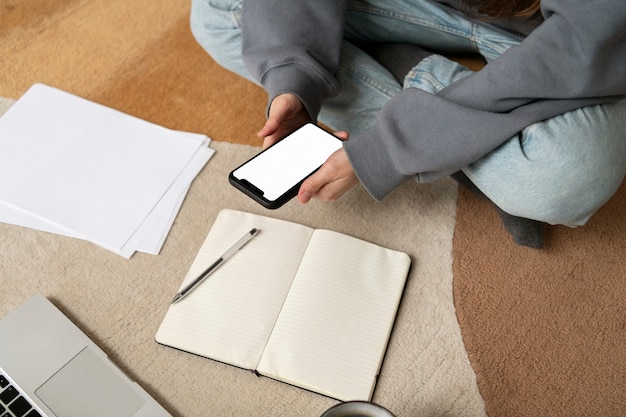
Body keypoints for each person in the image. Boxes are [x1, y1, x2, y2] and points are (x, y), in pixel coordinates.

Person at [190, 0, 626, 248]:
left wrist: (390, 147)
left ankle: (415, 82)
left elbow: (583, 48)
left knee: (566, 176)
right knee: (214, 12)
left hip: (557, 34)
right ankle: (457, 136)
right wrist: (292, 69)